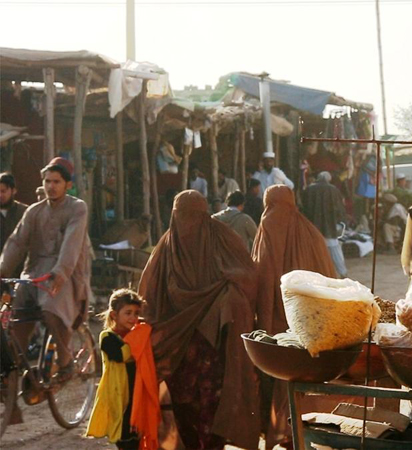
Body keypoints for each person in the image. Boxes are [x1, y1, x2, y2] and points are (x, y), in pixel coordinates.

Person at [138, 190, 260, 450]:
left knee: (211, 402)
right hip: (179, 347)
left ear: (205, 215)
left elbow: (246, 276)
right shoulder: (166, 248)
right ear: (173, 216)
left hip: (211, 342)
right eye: (182, 217)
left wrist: (227, 302)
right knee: (183, 402)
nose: (188, 224)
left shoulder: (218, 237)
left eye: (194, 217)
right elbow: (148, 296)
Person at [251, 185, 337, 447]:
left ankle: (287, 433)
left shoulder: (267, 229)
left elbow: (262, 281)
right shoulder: (312, 233)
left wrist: (263, 325)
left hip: (280, 325)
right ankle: (303, 433)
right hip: (315, 326)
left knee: (281, 378)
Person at [0, 158, 92, 376]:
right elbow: (17, 242)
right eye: (48, 181)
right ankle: (15, 371)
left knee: (52, 312)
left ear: (68, 184)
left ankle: (66, 361)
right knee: (14, 317)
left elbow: (72, 243)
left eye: (57, 182)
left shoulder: (77, 208)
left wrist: (60, 272)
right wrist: (2, 270)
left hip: (65, 273)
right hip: (33, 272)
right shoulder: (34, 211)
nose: (51, 186)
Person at [87, 289, 159, 450]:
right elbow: (122, 355)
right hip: (118, 397)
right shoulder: (107, 337)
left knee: (135, 437)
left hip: (134, 394)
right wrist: (139, 338)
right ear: (114, 315)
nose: (133, 318)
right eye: (128, 313)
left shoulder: (136, 335)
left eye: (136, 313)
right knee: (125, 439)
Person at [303, 172, 347, 277]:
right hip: (330, 226)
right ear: (328, 179)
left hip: (313, 226)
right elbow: (339, 208)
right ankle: (343, 273)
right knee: (335, 250)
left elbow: (305, 207)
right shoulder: (334, 190)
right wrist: (340, 220)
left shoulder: (309, 189)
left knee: (313, 251)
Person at [0, 173, 28, 277]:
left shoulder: (25, 212)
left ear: (13, 191)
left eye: (3, 191)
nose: (0, 195)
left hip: (19, 272)